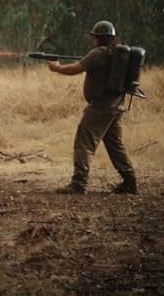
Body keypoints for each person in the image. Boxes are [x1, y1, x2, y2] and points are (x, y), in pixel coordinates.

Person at [46, 20, 137, 195]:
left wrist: (56, 68)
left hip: (101, 107)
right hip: (116, 104)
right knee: (115, 144)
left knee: (84, 141)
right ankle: (130, 182)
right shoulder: (115, 53)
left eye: (95, 37)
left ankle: (78, 184)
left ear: (99, 38)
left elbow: (75, 68)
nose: (93, 39)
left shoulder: (98, 53)